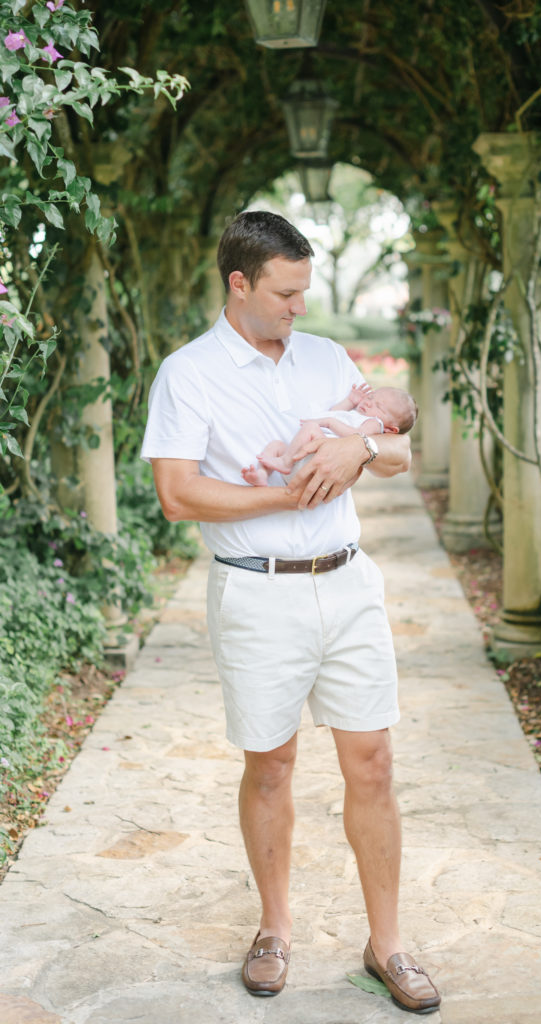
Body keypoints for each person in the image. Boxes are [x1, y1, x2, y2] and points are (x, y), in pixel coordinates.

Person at [141, 210, 440, 1015]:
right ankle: (274, 929)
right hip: (256, 589)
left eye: (304, 290)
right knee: (270, 766)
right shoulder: (188, 372)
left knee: (372, 762)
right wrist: (287, 492)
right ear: (238, 284)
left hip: (347, 583)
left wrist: (358, 451)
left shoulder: (326, 356)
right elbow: (176, 495)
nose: (299, 307)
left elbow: (397, 447)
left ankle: (388, 944)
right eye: (285, 292)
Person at [241, 383, 418, 486]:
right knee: (276, 445)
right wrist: (350, 401)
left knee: (310, 427)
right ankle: (263, 475)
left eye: (379, 407)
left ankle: (285, 463)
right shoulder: (354, 414)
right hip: (303, 458)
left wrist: (329, 423)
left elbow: (358, 437)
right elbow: (334, 412)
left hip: (319, 458)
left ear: (390, 429)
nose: (369, 403)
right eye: (371, 398)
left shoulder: (374, 424)